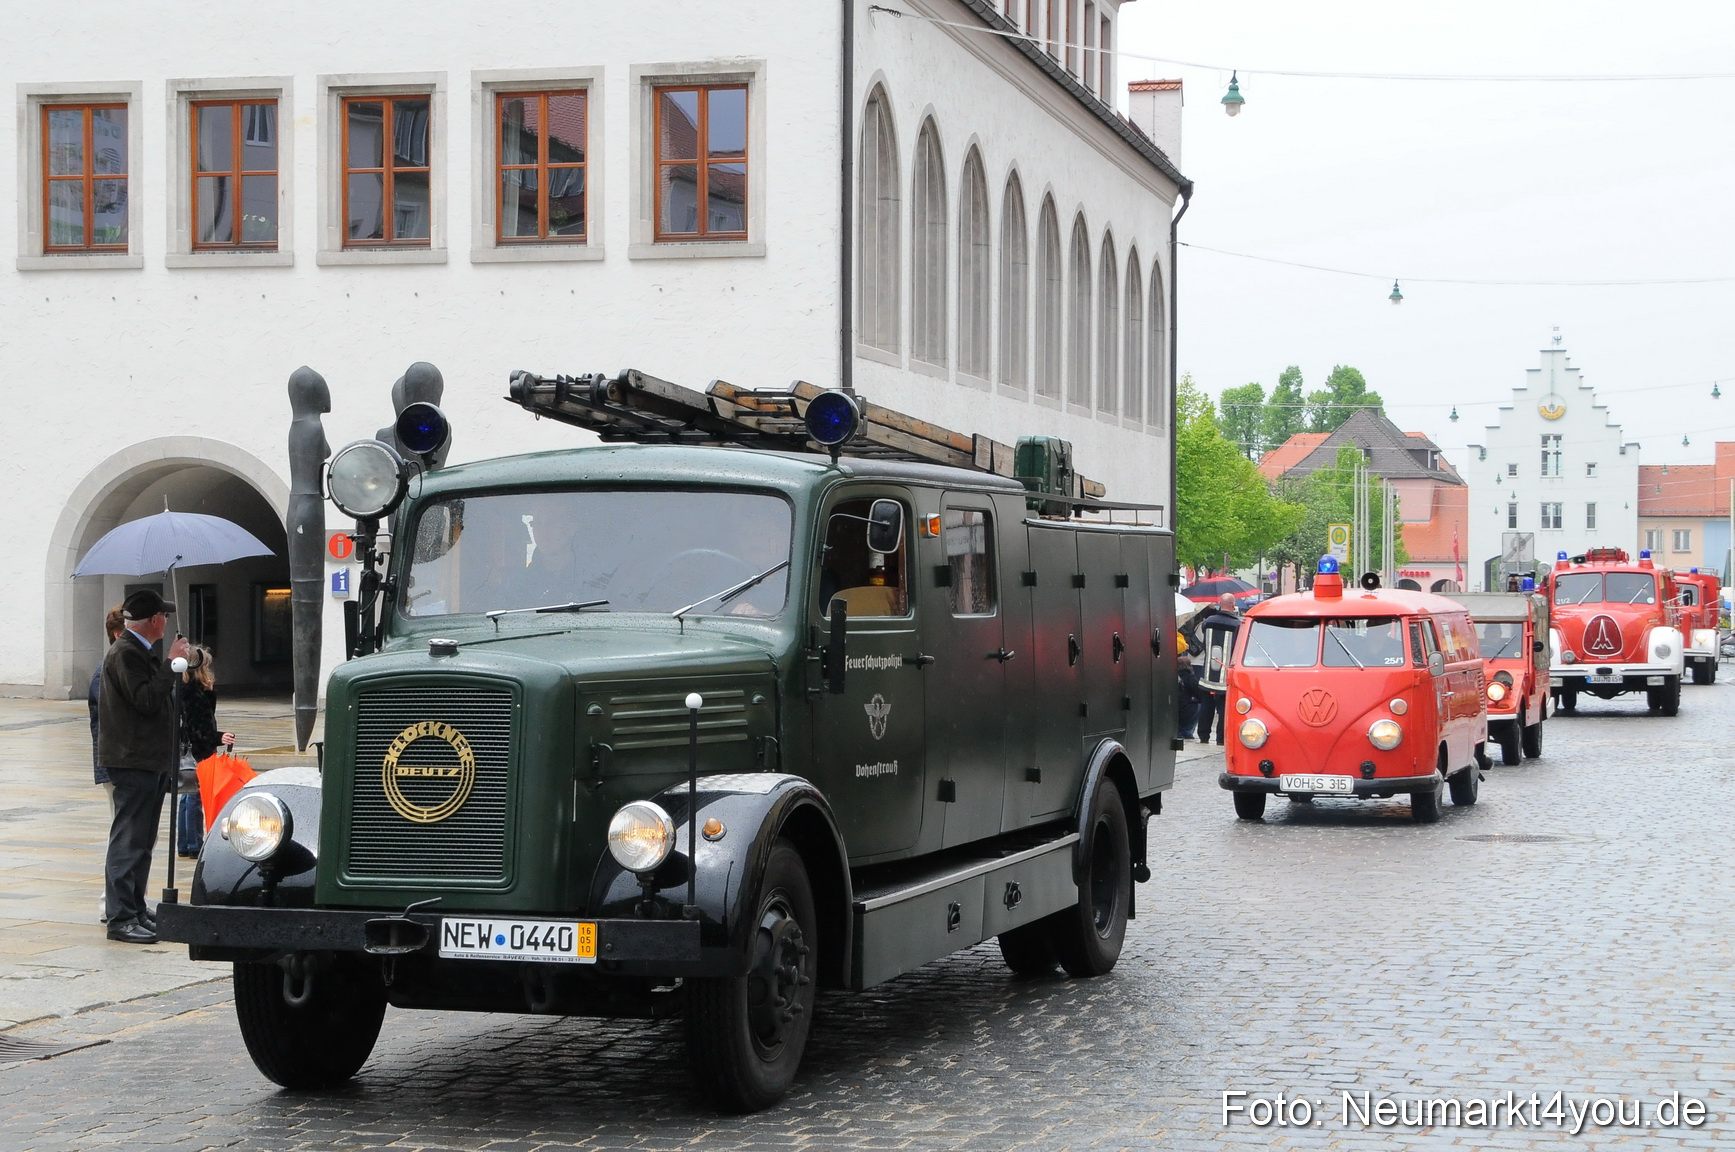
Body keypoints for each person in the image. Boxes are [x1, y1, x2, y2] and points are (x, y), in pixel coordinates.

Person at [99, 589, 192, 945]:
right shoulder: (127, 652)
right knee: (129, 839)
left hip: (147, 758)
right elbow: (147, 700)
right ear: (153, 620)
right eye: (163, 616)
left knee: (142, 840)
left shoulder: (139, 651)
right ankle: (120, 916)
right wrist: (170, 665)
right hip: (133, 758)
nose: (167, 622)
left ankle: (135, 908)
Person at [177, 645, 235, 858]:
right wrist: (218, 737)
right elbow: (199, 727)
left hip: (188, 748)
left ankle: (185, 843)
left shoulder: (183, 689)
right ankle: (194, 843)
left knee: (187, 795)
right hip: (198, 750)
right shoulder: (194, 693)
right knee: (195, 796)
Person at [88, 604, 124, 923]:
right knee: (121, 833)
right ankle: (110, 903)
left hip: (125, 764)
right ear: (117, 634)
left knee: (129, 835)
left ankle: (122, 901)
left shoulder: (122, 668)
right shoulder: (107, 671)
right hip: (117, 766)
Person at [1194, 593, 1243, 745]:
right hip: (1225, 676)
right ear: (1233, 604)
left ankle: (1203, 736)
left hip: (1207, 673)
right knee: (1223, 709)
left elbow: (1201, 643)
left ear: (1220, 603)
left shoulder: (1208, 622)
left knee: (1206, 706)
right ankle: (1221, 739)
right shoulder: (1238, 625)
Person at [1176, 648, 1202, 740]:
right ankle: (1187, 731)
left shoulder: (1169, 676)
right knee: (1199, 705)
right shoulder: (1189, 678)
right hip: (1186, 709)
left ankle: (1178, 730)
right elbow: (1199, 694)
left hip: (1172, 710)